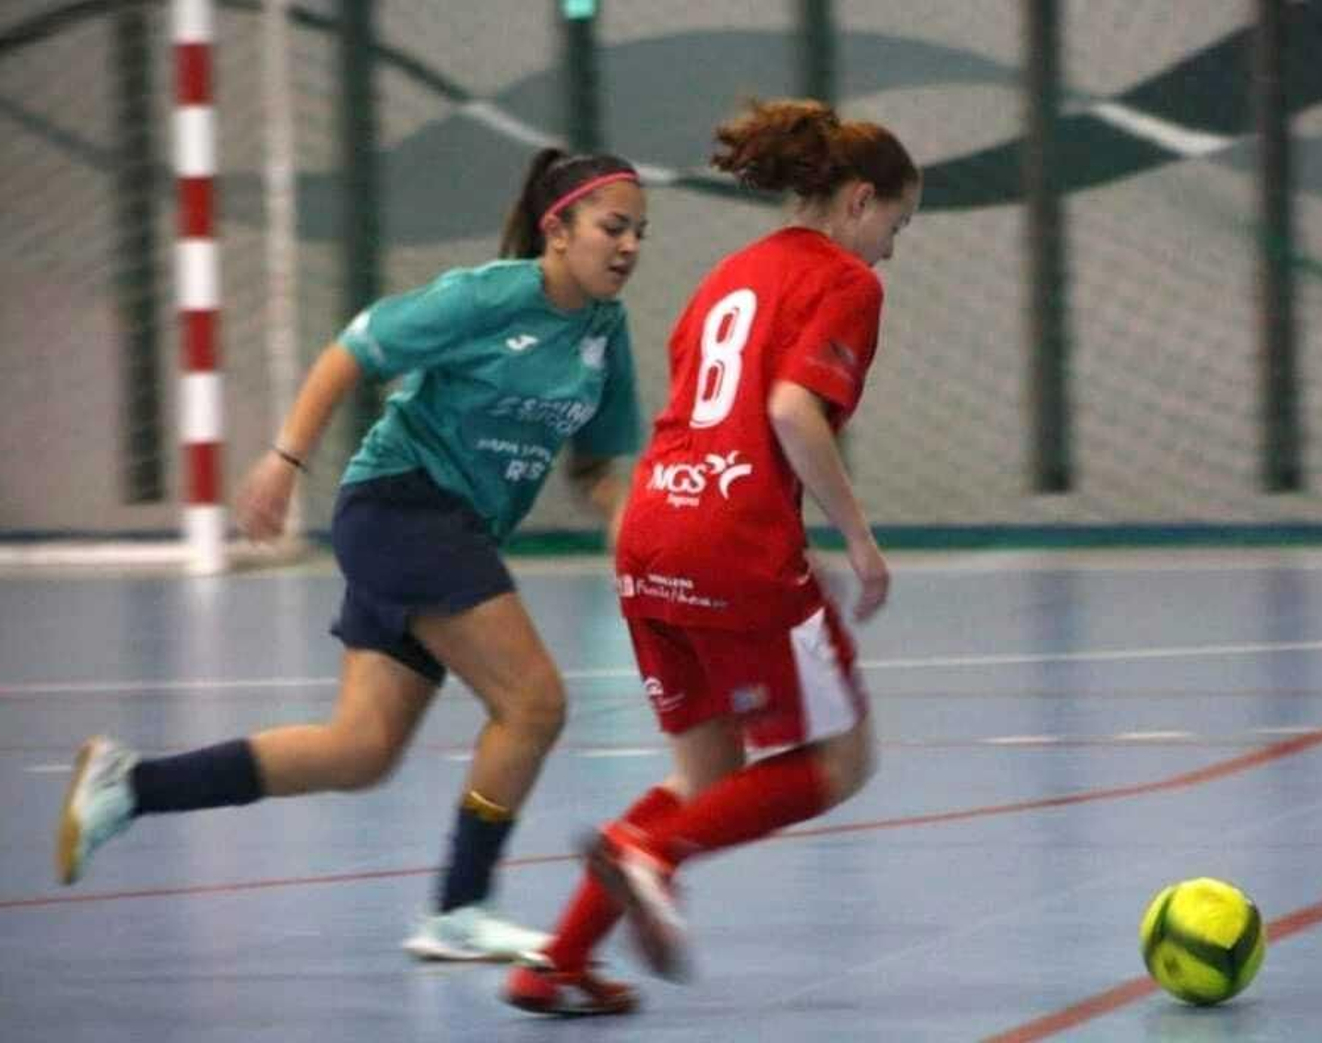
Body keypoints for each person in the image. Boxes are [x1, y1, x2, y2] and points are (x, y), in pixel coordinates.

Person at [54, 148, 650, 962]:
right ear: (558, 228)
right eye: (613, 227)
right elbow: (354, 348)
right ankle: (460, 909)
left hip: (447, 530)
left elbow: (593, 469)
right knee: (535, 704)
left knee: (360, 748)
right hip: (403, 504)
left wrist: (635, 525)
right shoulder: (487, 296)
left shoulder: (605, 336)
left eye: (639, 234)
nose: (628, 246)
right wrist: (285, 459)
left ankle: (128, 785)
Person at [502, 98, 919, 1016]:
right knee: (843, 758)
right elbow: (788, 411)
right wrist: (858, 536)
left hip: (652, 527)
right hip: (732, 540)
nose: (891, 246)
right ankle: (653, 856)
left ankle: (555, 961)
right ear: (857, 201)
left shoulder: (730, 274)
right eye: (896, 221)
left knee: (704, 774)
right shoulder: (848, 281)